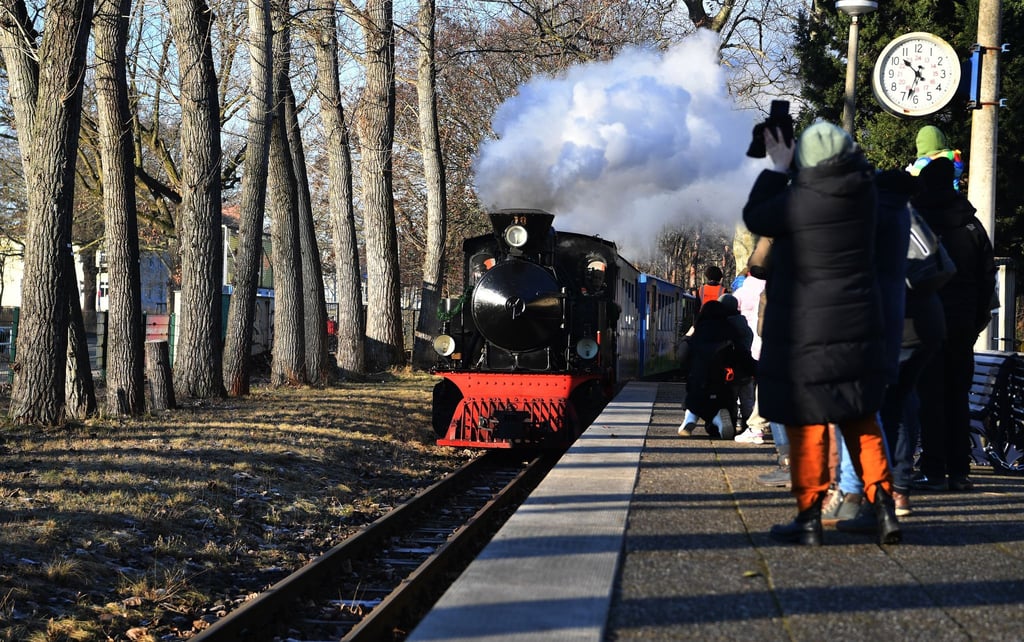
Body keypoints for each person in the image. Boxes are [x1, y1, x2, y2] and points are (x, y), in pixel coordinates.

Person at [742, 120, 901, 546]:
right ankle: (885, 509)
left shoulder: (797, 202)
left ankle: (809, 518)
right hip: (859, 325)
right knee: (860, 418)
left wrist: (779, 167)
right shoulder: (866, 196)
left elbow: (756, 215)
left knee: (807, 425)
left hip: (805, 332)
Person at [912, 157, 996, 492]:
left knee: (929, 395)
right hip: (963, 323)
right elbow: (987, 278)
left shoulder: (918, 220)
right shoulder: (973, 226)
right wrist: (976, 319)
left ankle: (933, 467)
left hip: (927, 319)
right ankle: (960, 469)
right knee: (957, 395)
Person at [677, 300, 754, 439]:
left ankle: (691, 417)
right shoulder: (730, 333)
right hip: (723, 387)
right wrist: (757, 370)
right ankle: (716, 420)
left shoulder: (697, 334)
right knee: (720, 415)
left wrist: (687, 336)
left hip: (697, 386)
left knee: (693, 399)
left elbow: (681, 356)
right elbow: (743, 358)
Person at [905, 125, 964, 191]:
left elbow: (915, 175)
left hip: (929, 199)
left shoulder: (922, 163)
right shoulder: (951, 159)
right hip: (952, 196)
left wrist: (910, 170)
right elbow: (958, 168)